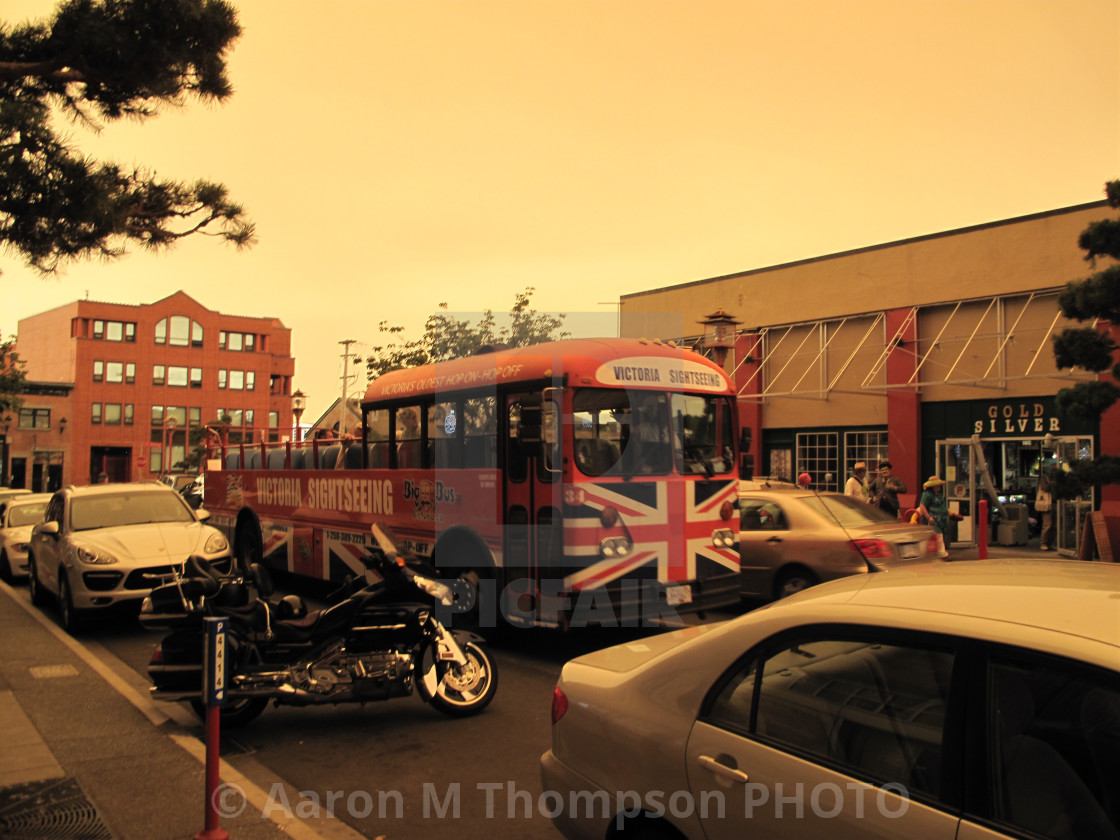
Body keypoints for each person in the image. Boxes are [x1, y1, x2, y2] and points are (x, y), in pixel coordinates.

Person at [919, 475, 963, 559]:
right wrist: (928, 517)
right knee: (938, 536)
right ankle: (942, 553)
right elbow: (922, 506)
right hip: (934, 519)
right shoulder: (927, 495)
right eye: (938, 484)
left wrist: (951, 515)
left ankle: (940, 552)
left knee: (943, 536)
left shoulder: (939, 495)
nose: (939, 486)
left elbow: (944, 507)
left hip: (942, 519)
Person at [1036, 470, 1055, 551]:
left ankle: (1049, 543)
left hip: (1053, 503)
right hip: (1047, 505)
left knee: (1053, 526)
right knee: (1047, 525)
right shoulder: (1044, 478)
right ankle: (1044, 543)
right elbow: (1045, 487)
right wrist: (1053, 483)